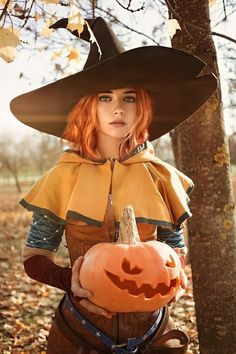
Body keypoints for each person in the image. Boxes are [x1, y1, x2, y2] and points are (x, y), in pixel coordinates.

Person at [10, 17, 217, 354]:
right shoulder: (62, 177)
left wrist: (177, 276)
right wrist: (69, 281)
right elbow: (35, 256)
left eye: (129, 98)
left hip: (155, 333)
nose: (118, 108)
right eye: (105, 98)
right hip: (78, 335)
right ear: (87, 107)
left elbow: (174, 249)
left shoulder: (161, 177)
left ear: (143, 108)